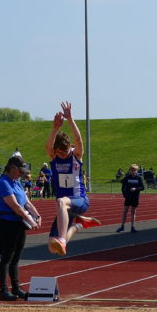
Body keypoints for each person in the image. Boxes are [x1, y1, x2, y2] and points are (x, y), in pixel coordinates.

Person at [44, 101, 99, 255]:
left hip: (79, 200)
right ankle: (78, 225)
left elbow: (79, 140)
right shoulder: (54, 157)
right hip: (65, 208)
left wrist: (70, 119)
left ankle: (62, 239)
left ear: (70, 148)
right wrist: (55, 128)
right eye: (60, 153)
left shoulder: (76, 155)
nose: (63, 155)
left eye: (65, 152)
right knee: (52, 247)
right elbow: (48, 147)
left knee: (61, 201)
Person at [0, 156, 41, 301]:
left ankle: (16, 288)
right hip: (7, 224)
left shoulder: (17, 183)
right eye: (20, 171)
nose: (22, 174)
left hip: (19, 223)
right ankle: (3, 290)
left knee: (16, 258)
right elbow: (15, 206)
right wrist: (30, 220)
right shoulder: (4, 184)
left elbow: (26, 203)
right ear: (13, 168)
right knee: (7, 258)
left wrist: (37, 215)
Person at [117, 163, 144, 232]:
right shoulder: (127, 177)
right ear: (130, 170)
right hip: (128, 197)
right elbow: (122, 186)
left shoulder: (138, 178)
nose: (133, 171)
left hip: (135, 197)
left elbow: (142, 187)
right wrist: (124, 195)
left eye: (134, 170)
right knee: (125, 212)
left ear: (136, 170)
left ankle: (132, 227)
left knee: (133, 212)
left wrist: (136, 189)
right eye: (132, 169)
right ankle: (122, 226)